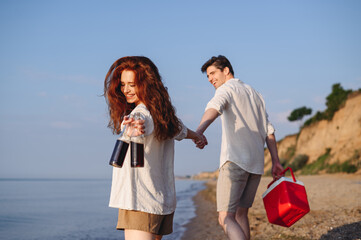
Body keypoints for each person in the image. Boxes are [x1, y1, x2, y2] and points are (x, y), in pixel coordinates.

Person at [104, 56, 206, 240]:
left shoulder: (139, 115)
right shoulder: (163, 115)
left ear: (146, 85)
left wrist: (130, 133)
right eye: (123, 84)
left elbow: (118, 160)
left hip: (139, 201)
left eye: (132, 85)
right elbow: (182, 131)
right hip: (161, 201)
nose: (125, 90)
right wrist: (197, 136)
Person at [195, 55, 284, 240]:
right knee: (241, 215)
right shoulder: (255, 94)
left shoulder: (226, 89)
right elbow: (269, 130)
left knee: (225, 217)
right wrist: (275, 161)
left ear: (226, 70)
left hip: (234, 161)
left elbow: (214, 108)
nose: (211, 79)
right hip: (256, 165)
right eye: (208, 76)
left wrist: (199, 131)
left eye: (213, 73)